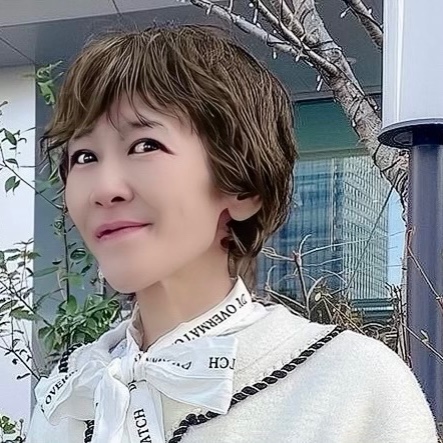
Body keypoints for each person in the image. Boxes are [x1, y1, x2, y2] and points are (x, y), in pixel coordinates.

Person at [28, 24, 437, 443]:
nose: (104, 189)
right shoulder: (68, 397)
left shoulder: (354, 385)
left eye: (145, 145)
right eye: (84, 156)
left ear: (243, 187)